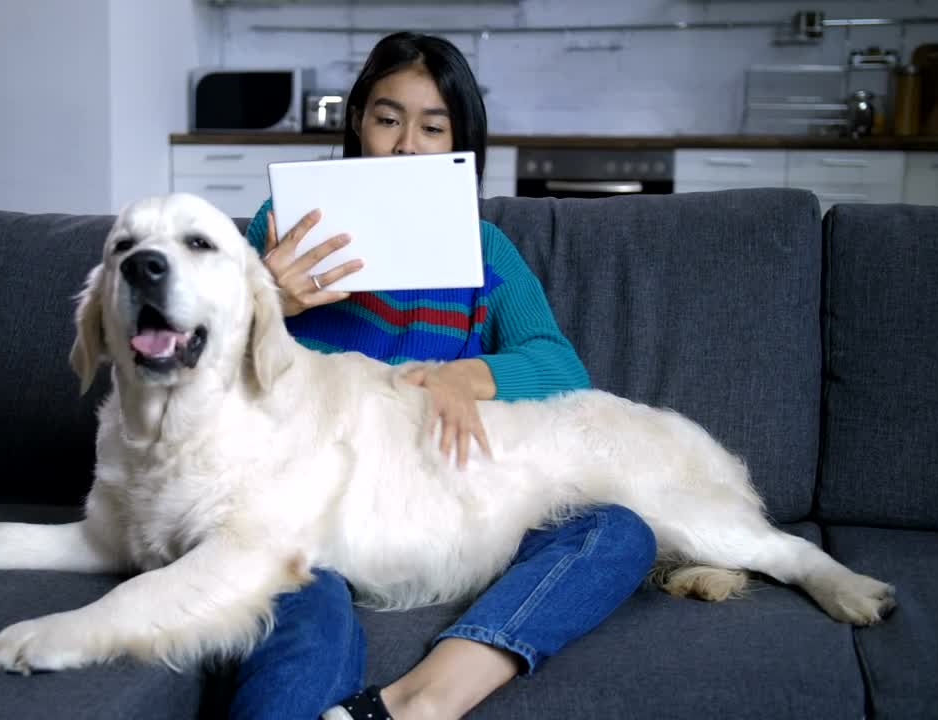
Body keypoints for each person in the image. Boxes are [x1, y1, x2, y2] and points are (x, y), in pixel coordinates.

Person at [226, 32, 656, 720]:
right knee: (301, 605)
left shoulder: (485, 249)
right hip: (308, 513)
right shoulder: (279, 234)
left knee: (618, 531)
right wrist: (266, 305)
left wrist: (467, 376)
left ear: (461, 144)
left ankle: (414, 705)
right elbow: (204, 381)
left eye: (433, 127)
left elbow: (559, 363)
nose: (405, 147)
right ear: (358, 123)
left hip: (438, 510)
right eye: (388, 119)